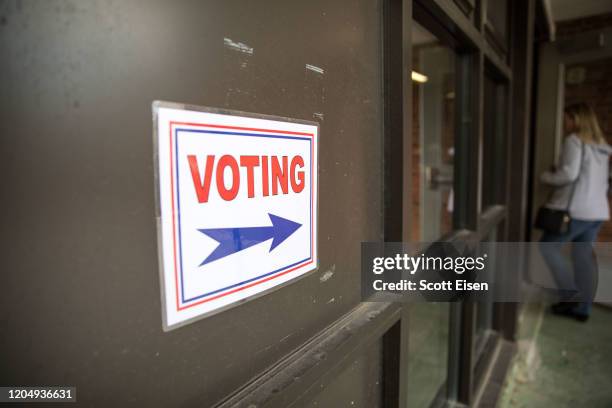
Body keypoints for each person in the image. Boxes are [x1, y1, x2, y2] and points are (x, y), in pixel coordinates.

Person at [539, 103, 611, 321]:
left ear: (577, 119)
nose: (565, 123)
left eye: (567, 119)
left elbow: (569, 174)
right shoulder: (603, 146)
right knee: (582, 258)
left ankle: (571, 298)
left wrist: (544, 177)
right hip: (597, 212)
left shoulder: (574, 141)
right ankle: (583, 309)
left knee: (548, 248)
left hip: (576, 211)